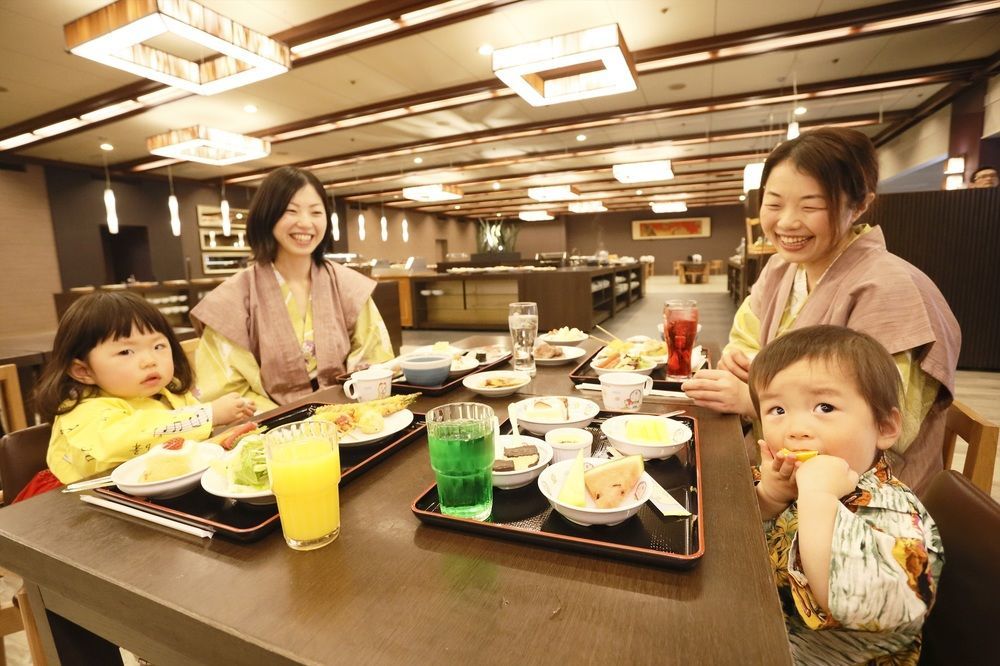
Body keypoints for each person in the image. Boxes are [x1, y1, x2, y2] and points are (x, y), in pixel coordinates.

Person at [682, 127, 960, 494]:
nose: (786, 223)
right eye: (774, 203)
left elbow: (878, 430)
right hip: (782, 466)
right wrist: (741, 364)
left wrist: (754, 399)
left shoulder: (889, 289)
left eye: (811, 206)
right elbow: (744, 341)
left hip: (860, 503)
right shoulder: (782, 269)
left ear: (859, 205)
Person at [750, 325, 942, 664]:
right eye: (777, 410)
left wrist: (819, 497)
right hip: (760, 626)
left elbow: (856, 598)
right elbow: (744, 533)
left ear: (884, 427)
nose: (795, 429)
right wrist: (769, 496)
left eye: (824, 407)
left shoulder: (893, 514)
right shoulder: (791, 479)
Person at [191, 166, 394, 410]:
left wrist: (348, 409)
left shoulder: (348, 285)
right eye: (291, 211)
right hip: (275, 428)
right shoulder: (232, 299)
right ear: (268, 216)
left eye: (316, 212)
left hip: (349, 413)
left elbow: (374, 356)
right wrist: (289, 421)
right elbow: (227, 390)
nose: (306, 223)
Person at [26, 292, 255, 493]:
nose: (149, 361)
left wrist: (225, 430)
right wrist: (208, 415)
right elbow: (122, 439)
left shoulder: (170, 392)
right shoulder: (83, 408)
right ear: (83, 370)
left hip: (163, 491)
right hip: (85, 500)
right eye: (126, 352)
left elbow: (188, 444)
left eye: (158, 346)